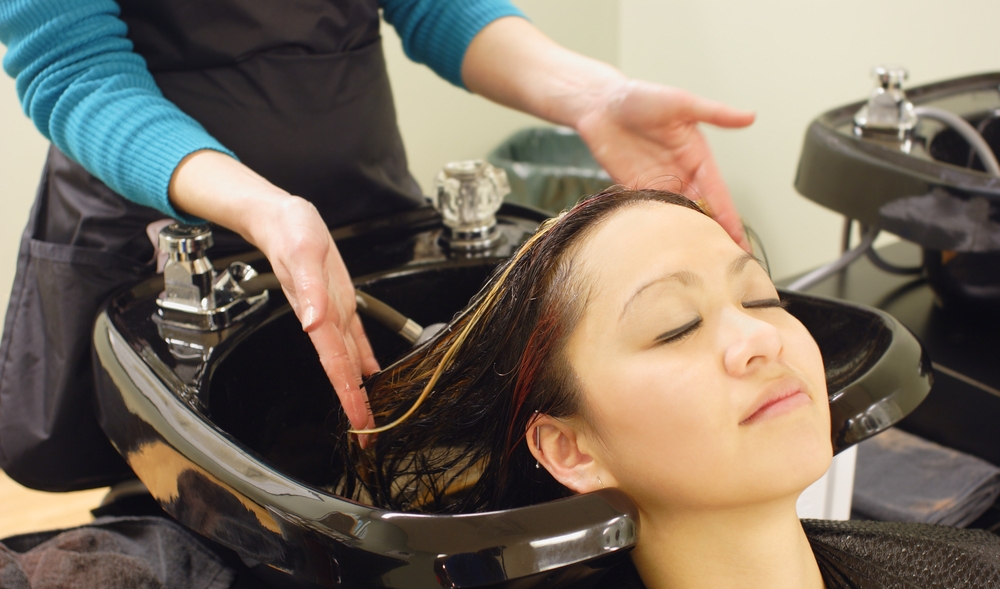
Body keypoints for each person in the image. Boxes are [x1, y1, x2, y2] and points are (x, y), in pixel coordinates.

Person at [0, 0, 754, 491]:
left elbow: (434, 6)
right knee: (185, 486)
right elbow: (69, 66)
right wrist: (260, 206)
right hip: (157, 211)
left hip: (356, 202)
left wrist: (590, 93)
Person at [336, 188, 1000, 589]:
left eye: (761, 296)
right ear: (571, 447)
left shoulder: (970, 570)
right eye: (675, 326)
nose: (758, 338)